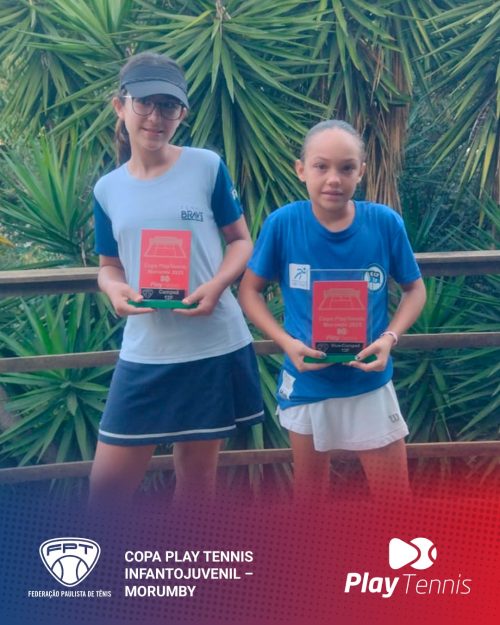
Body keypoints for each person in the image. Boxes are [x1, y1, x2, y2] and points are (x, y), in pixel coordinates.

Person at [89, 52, 264, 509]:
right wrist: (113, 289)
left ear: (182, 113)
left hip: (211, 344)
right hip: (145, 350)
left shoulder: (206, 166)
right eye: (144, 102)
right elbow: (109, 266)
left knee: (197, 484)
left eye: (168, 105)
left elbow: (241, 241)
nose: (155, 116)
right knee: (105, 494)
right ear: (120, 106)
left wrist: (217, 284)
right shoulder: (107, 190)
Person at [239, 120, 426, 502]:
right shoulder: (283, 224)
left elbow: (415, 290)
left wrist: (389, 338)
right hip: (307, 381)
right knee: (311, 504)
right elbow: (249, 292)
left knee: (396, 503)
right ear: (301, 169)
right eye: (321, 166)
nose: (333, 179)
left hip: (368, 381)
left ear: (361, 171)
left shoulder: (384, 223)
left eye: (346, 167)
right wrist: (286, 343)